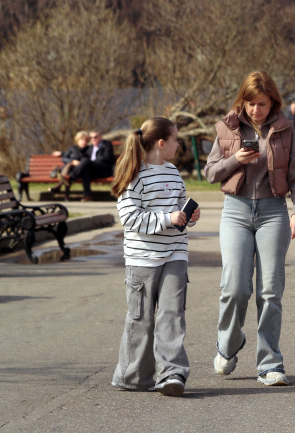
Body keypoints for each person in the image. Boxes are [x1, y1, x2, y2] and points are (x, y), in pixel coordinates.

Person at [204, 71, 295, 387]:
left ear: (272, 101)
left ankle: (270, 363)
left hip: (273, 212)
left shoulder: (285, 129)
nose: (255, 110)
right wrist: (235, 159)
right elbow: (210, 173)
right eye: (250, 103)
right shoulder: (227, 127)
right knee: (235, 287)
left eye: (261, 104)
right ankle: (228, 343)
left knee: (270, 291)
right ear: (243, 101)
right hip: (235, 212)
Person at [110, 116, 201, 397]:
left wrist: (189, 216)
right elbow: (129, 218)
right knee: (142, 319)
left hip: (175, 254)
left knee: (172, 315)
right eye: (176, 140)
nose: (179, 145)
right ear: (162, 143)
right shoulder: (134, 175)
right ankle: (133, 376)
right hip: (142, 259)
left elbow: (179, 213)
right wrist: (167, 218)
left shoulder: (173, 172)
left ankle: (172, 374)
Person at [68, 130, 115, 202]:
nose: (93, 139)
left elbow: (107, 157)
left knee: (86, 161)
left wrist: (92, 162)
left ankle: (71, 178)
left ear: (100, 137)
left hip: (104, 169)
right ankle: (87, 195)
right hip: (93, 170)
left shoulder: (107, 144)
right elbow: (82, 155)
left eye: (95, 137)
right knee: (86, 170)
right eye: (91, 137)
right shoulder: (90, 147)